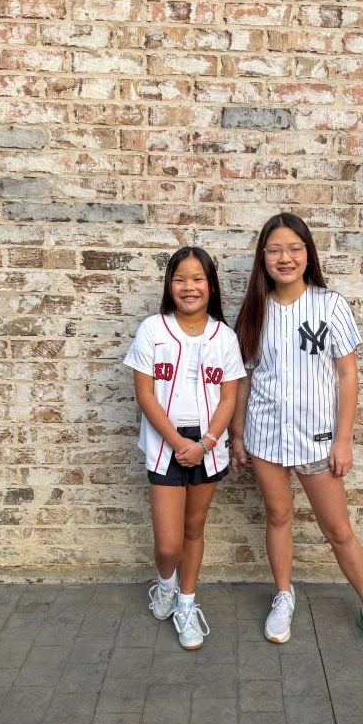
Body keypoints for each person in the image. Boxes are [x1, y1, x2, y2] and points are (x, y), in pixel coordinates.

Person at [231, 212, 363, 657]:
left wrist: (343, 440)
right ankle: (283, 595)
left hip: (318, 437)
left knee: (338, 528)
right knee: (278, 516)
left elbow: (347, 375)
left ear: (307, 253)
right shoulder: (255, 310)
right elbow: (245, 378)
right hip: (266, 435)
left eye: (293, 248)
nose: (284, 258)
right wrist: (238, 436)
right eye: (274, 250)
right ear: (262, 257)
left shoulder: (330, 305)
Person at [124, 247, 245, 649]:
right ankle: (165, 583)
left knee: (194, 529)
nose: (188, 287)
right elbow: (145, 394)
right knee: (168, 543)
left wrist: (205, 443)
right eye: (180, 279)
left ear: (211, 286)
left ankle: (187, 603)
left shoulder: (224, 337)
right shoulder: (153, 329)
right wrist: (180, 443)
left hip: (209, 445)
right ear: (169, 285)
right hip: (166, 446)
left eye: (197, 279)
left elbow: (229, 398)